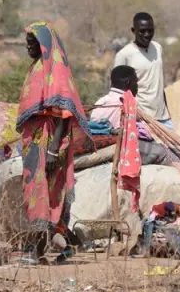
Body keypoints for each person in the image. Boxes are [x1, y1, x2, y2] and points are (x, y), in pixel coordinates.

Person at [16, 22, 91, 263]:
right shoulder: (37, 67)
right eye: (27, 43)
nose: (29, 47)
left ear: (45, 45)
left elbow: (63, 114)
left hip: (48, 142)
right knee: (40, 193)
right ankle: (67, 244)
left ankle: (37, 251)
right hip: (34, 141)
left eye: (33, 43)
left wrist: (52, 149)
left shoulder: (56, 70)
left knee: (44, 194)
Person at [90, 66, 170, 165]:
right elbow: (139, 133)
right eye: (136, 82)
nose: (137, 86)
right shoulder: (128, 103)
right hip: (123, 145)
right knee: (163, 153)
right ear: (129, 83)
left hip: (101, 145)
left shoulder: (100, 102)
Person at [113, 12, 174, 129]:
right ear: (133, 30)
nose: (147, 34)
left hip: (164, 118)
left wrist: (167, 111)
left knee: (174, 142)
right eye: (142, 31)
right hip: (141, 119)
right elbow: (117, 91)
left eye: (150, 31)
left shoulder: (157, 48)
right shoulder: (124, 55)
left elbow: (159, 83)